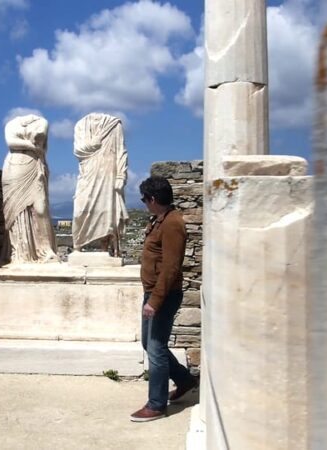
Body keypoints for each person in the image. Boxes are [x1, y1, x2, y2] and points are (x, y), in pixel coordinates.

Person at [130, 176, 198, 422]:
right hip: (153, 293)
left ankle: (156, 404)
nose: (144, 204)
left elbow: (171, 267)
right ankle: (184, 379)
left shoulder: (172, 224)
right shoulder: (160, 220)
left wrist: (155, 301)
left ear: (153, 199)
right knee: (150, 345)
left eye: (144, 200)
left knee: (156, 348)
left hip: (163, 295)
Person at [1, 114, 59, 264]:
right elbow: (11, 142)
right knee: (15, 210)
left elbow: (39, 139)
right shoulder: (11, 123)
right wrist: (31, 146)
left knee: (40, 208)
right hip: (14, 167)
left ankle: (46, 250)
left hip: (35, 165)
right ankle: (20, 252)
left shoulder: (42, 121)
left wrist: (29, 144)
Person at [71, 113, 129, 256]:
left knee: (107, 212)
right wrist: (93, 143)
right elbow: (78, 150)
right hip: (88, 172)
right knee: (80, 211)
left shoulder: (114, 125)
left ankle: (106, 249)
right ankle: (77, 246)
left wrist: (121, 175)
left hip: (109, 172)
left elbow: (121, 151)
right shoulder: (80, 124)